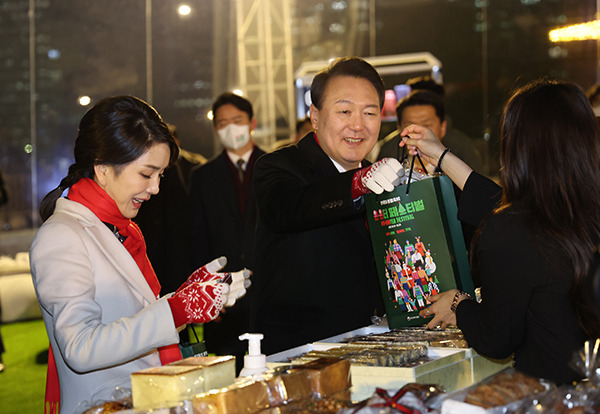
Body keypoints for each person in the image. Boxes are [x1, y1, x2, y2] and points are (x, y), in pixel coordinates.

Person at [30, 96, 250, 414]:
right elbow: (80, 347)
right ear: (102, 169)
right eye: (147, 174)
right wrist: (177, 310)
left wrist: (185, 298)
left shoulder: (119, 229)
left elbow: (132, 318)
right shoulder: (62, 236)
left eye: (160, 175)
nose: (156, 188)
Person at [400, 80, 600, 385]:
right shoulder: (580, 210)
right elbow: (506, 208)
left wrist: (459, 303)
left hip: (553, 397)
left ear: (518, 145)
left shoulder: (513, 227)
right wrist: (441, 157)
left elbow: (496, 338)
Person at [251, 56, 405, 355]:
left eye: (370, 112)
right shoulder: (278, 166)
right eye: (345, 111)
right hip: (301, 351)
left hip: (374, 344)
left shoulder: (383, 176)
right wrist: (358, 183)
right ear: (316, 116)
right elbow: (289, 209)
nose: (358, 125)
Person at [189, 92, 264, 370]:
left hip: (268, 295)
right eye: (222, 123)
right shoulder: (202, 176)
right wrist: (208, 291)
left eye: (237, 120)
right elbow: (197, 238)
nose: (231, 128)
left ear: (252, 122)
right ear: (215, 130)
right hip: (224, 300)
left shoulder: (274, 166)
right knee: (227, 374)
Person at [377, 76, 484, 174]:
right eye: (411, 126)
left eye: (426, 125)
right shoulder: (389, 153)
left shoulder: (461, 150)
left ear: (443, 127)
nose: (418, 132)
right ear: (399, 128)